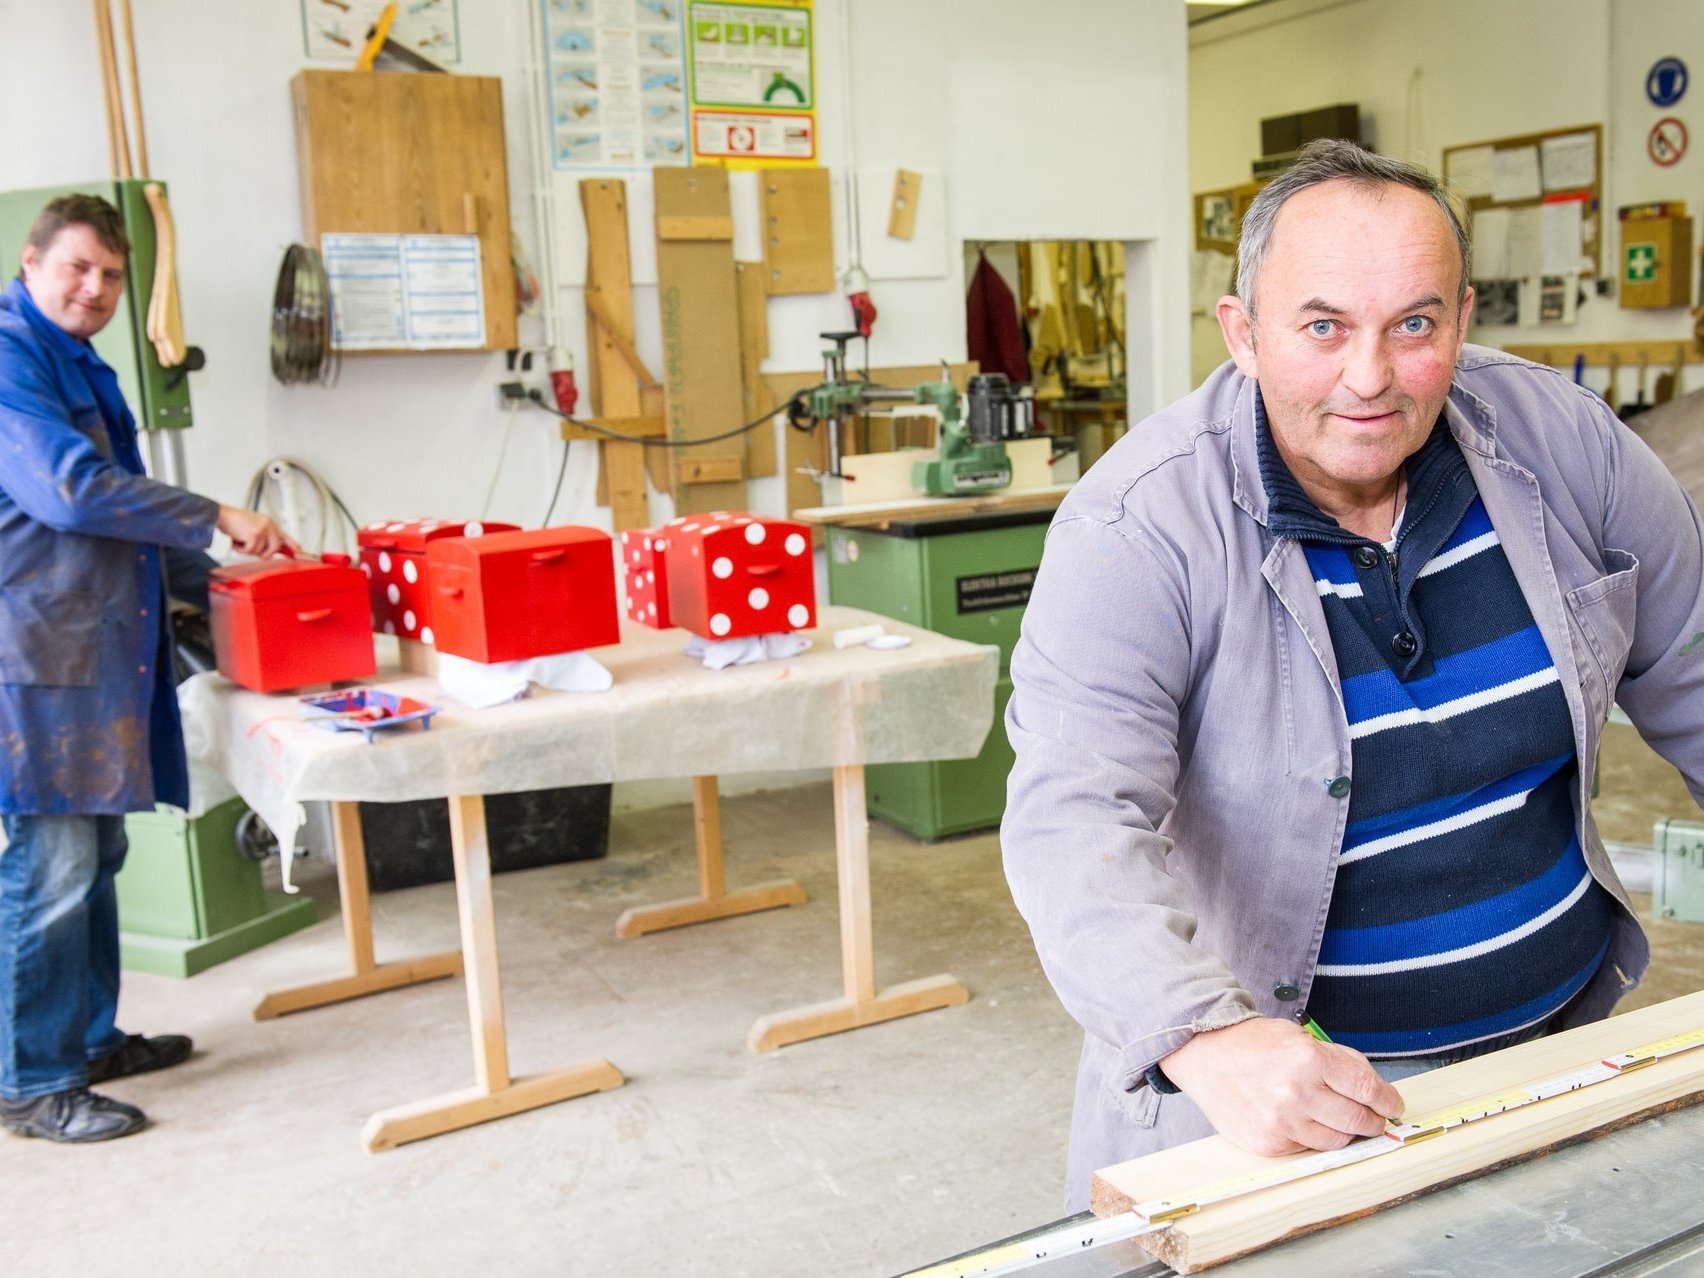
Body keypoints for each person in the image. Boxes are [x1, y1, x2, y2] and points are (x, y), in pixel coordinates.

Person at [1002, 140, 1704, 1210]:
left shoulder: (1568, 446)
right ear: (1242, 331)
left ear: (1461, 322)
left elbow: (1697, 672)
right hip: (1297, 1117)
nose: (1369, 376)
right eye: (1322, 326)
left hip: (1560, 1052)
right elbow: (1071, 819)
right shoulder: (1136, 530)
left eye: (1413, 326)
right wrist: (1210, 1035)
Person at [0, 194, 292, 1143]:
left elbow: (131, 517)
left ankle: (87, 1042)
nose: (94, 289)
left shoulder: (84, 363)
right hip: (33, 661)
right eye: (76, 267)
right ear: (31, 262)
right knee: (51, 868)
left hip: (97, 650)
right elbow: (75, 492)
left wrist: (236, 601)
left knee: (98, 858)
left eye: (111, 276)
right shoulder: (8, 358)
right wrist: (217, 513)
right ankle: (32, 1082)